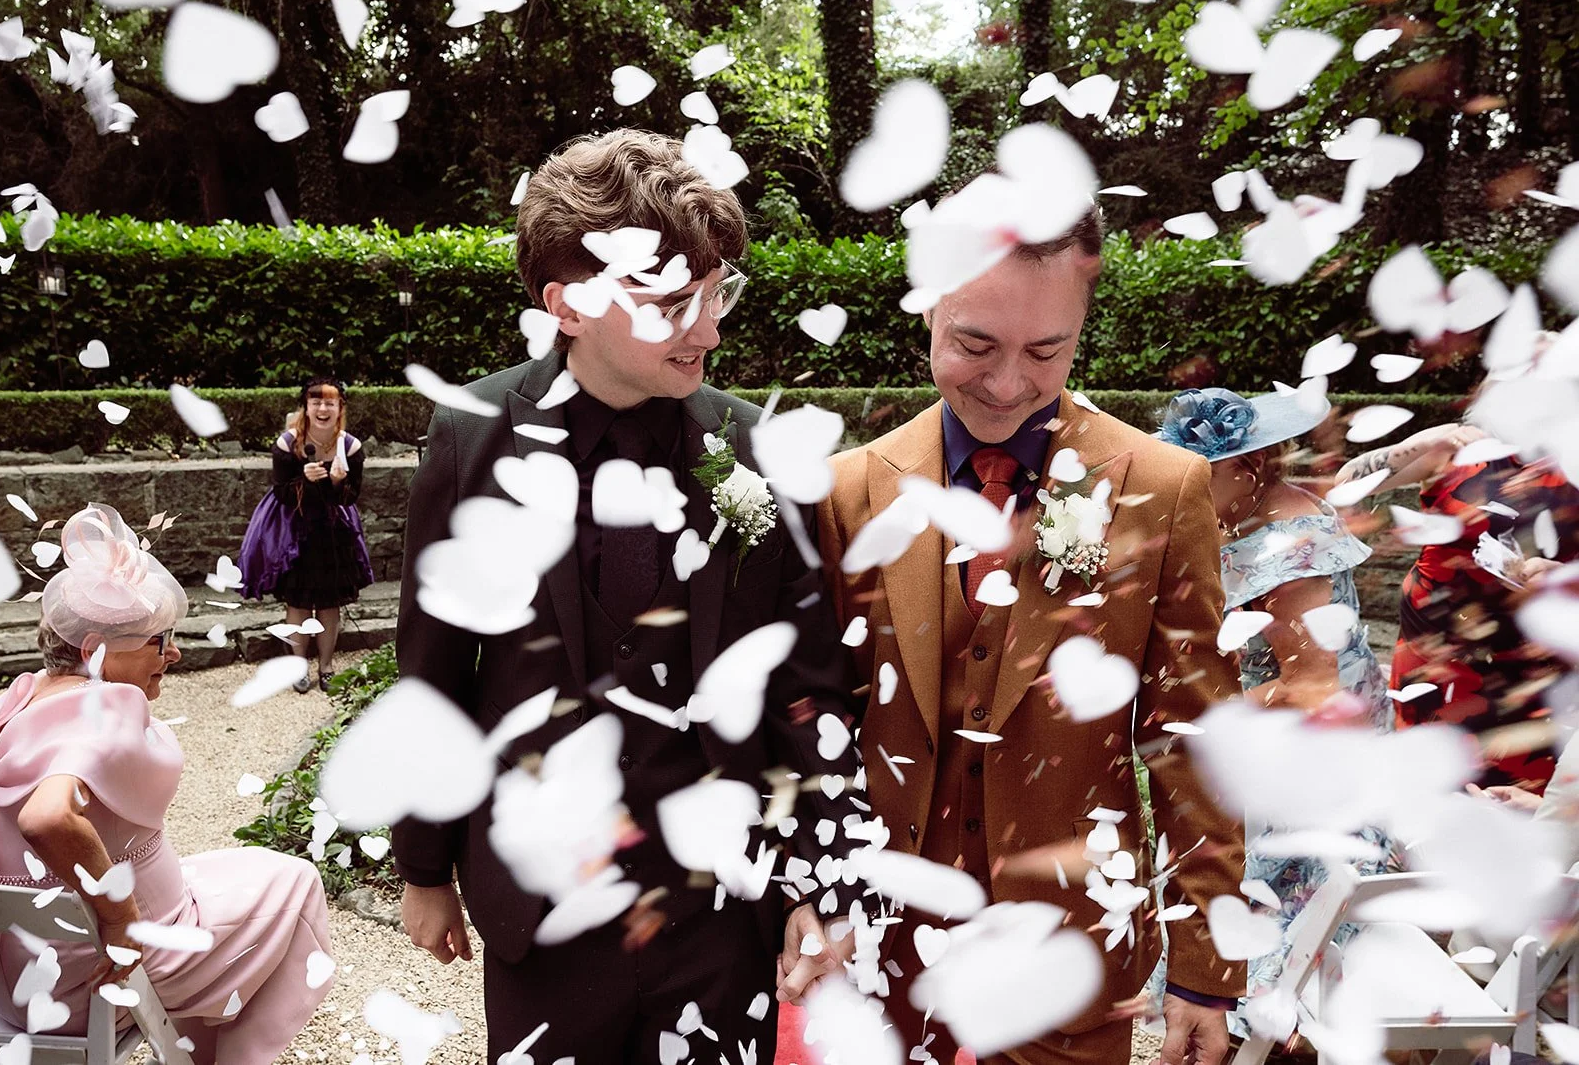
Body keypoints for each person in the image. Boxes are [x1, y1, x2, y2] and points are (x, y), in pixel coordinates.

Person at [390, 128, 866, 1064]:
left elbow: (806, 686)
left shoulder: (759, 452)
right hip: (543, 905)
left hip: (718, 911)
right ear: (567, 304)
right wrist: (424, 866)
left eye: (716, 291)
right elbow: (434, 673)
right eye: (672, 303)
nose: (709, 329)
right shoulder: (471, 439)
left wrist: (820, 878)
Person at [817, 206, 1247, 1065]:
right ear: (927, 304)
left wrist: (1206, 969)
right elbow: (817, 721)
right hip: (882, 946)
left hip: (1072, 947)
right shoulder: (846, 490)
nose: (1008, 383)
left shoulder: (1164, 489)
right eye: (975, 344)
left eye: (1047, 351)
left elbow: (1192, 737)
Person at [0, 503, 333, 1064]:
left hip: (19, 975)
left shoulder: (19, 698)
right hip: (98, 973)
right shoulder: (104, 705)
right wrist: (120, 920)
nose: (174, 653)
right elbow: (46, 817)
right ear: (95, 651)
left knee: (240, 871)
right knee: (298, 884)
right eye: (157, 640)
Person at [1157, 386, 1394, 994]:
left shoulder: (1290, 547)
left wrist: (1203, 717)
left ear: (1251, 464)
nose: (1189, 487)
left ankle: (1255, 1008)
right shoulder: (1260, 510)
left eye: (1203, 473)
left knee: (1280, 917)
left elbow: (1308, 686)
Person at [1338, 413, 1579, 788]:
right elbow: (1346, 483)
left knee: (1511, 792)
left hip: (1526, 668)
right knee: (1428, 784)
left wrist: (1562, 574)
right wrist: (1424, 446)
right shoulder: (1460, 444)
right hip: (1433, 657)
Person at [239, 377, 373, 693]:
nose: (323, 408)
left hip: (333, 532)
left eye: (330, 402)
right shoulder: (288, 444)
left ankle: (326, 667)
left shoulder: (351, 447)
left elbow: (351, 497)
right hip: (293, 534)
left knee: (329, 603)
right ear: (307, 407)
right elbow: (282, 493)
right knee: (298, 602)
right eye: (316, 402)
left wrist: (337, 482)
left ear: (340, 407)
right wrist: (303, 479)